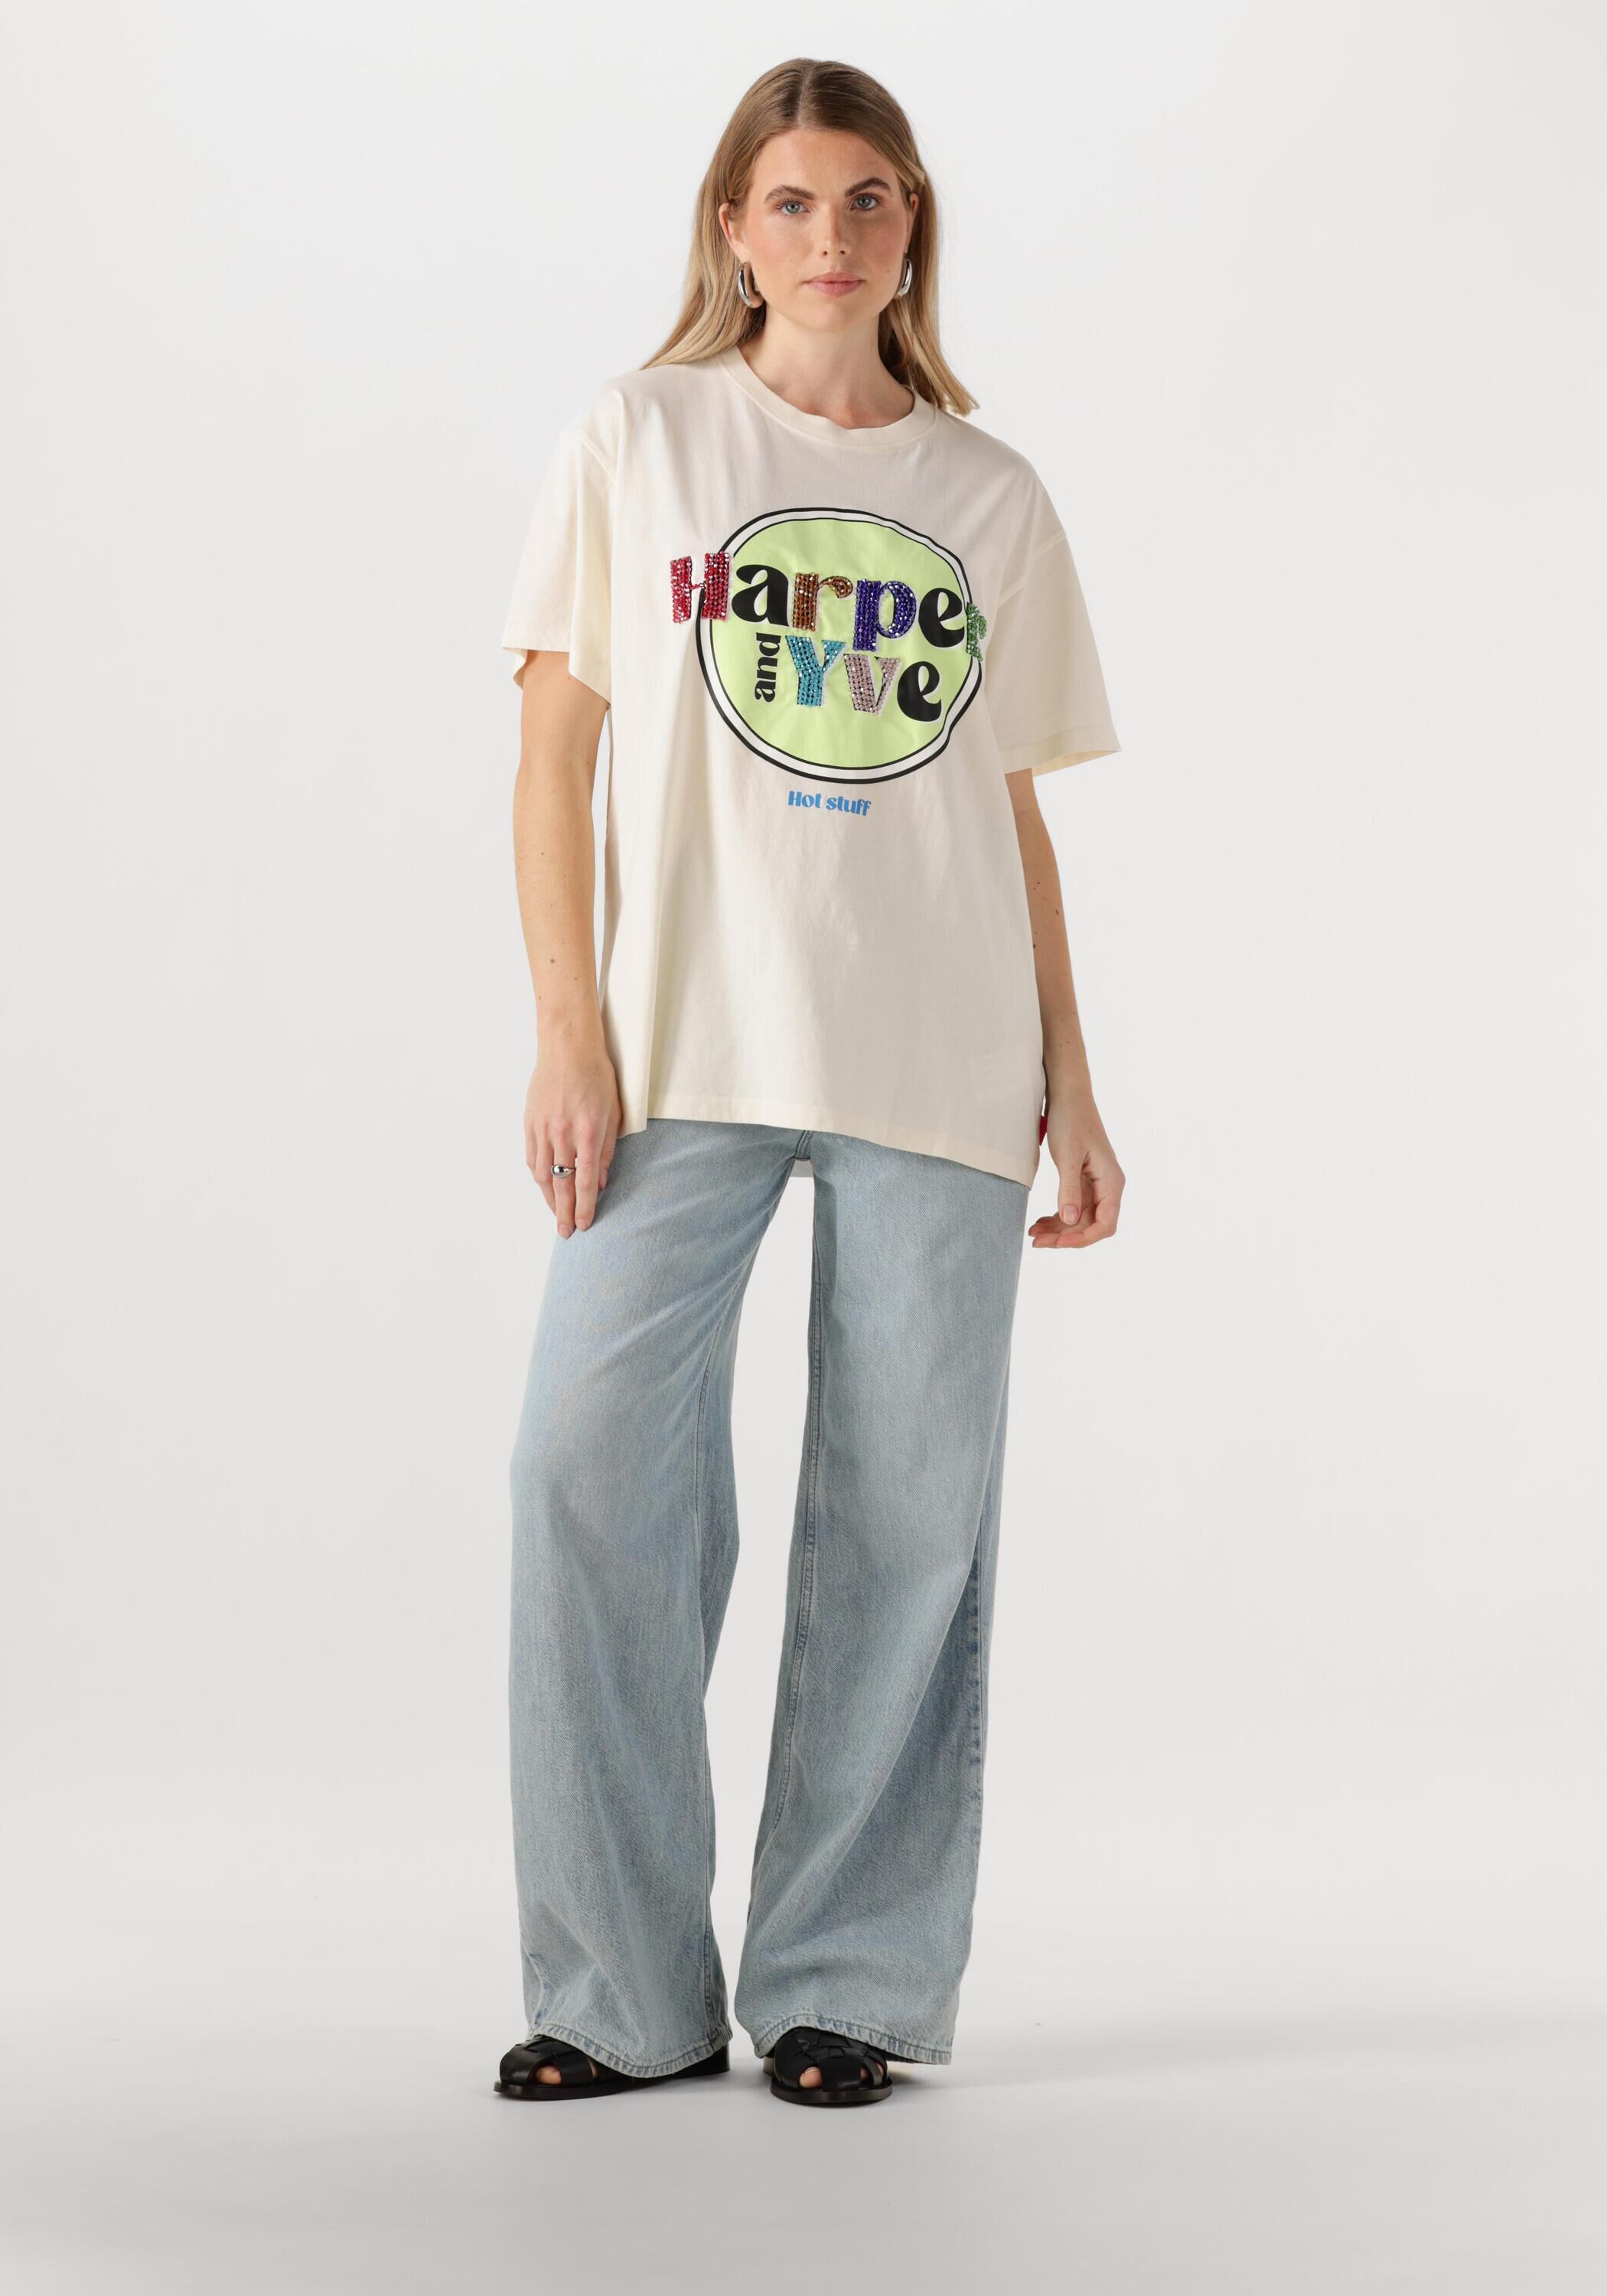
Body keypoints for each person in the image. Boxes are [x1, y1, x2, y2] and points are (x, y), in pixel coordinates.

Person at [493, 56, 1124, 2110]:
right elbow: (555, 754)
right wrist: (567, 1028)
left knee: (911, 1519)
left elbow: (1007, 811)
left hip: (940, 1050)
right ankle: (617, 1990)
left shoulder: (987, 490)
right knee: (586, 1469)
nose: (830, 235)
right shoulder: (641, 435)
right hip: (681, 1046)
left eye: (867, 199)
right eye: (790, 201)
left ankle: (847, 1980)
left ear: (910, 228)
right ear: (731, 230)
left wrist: (1076, 1078)